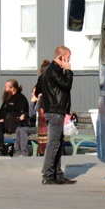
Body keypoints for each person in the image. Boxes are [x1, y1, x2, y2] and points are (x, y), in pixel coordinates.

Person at [39, 45, 76, 185]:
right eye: (68, 58)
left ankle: (57, 174)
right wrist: (68, 70)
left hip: (57, 110)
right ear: (61, 57)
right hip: (54, 111)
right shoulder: (53, 70)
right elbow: (66, 85)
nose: (69, 61)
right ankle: (48, 174)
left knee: (58, 143)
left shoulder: (53, 70)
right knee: (53, 143)